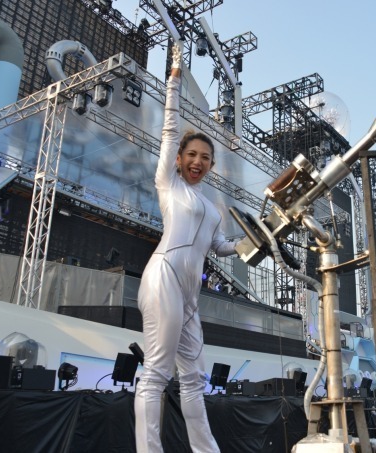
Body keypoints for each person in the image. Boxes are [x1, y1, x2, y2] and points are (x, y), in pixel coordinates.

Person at [134, 42, 240, 453]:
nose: (198, 161)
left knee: (194, 379)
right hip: (162, 278)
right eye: (191, 155)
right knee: (156, 375)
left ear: (212, 165)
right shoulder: (169, 183)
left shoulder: (213, 208)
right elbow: (169, 128)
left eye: (205, 158)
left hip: (190, 294)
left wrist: (259, 240)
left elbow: (222, 247)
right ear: (178, 160)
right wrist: (174, 82)